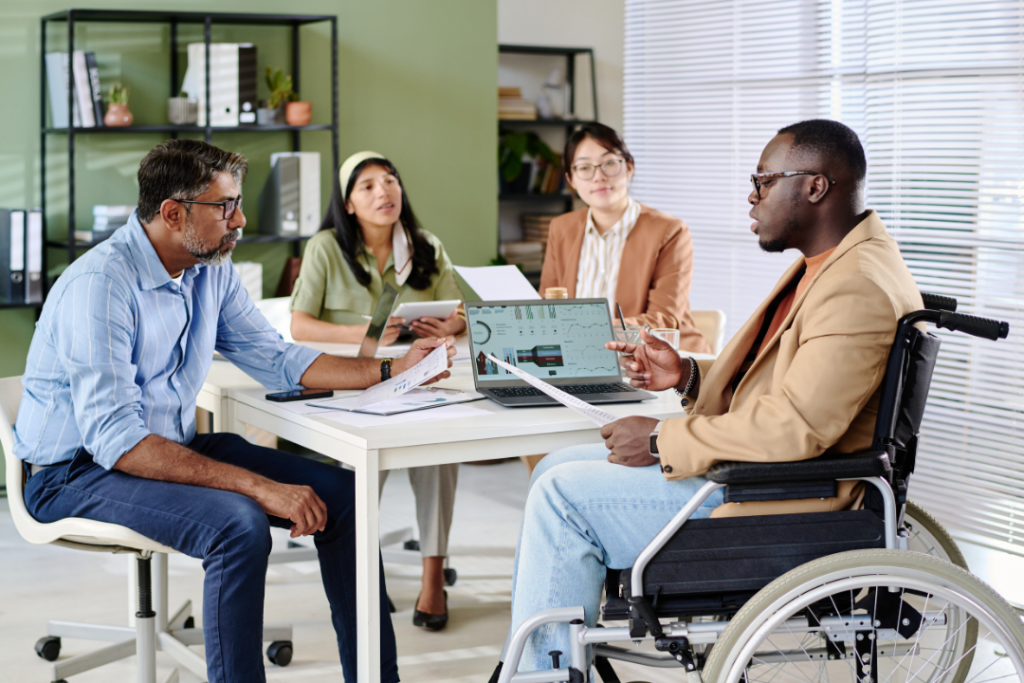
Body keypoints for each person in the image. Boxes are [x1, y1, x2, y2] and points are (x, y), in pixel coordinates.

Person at [13, 139, 456, 683]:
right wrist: (259, 487)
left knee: (346, 499)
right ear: (173, 214)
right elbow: (118, 441)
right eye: (225, 206)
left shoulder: (210, 268)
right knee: (239, 525)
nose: (240, 219)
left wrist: (395, 370)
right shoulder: (101, 285)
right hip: (74, 470)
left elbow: (276, 357)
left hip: (167, 445)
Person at [491, 119, 923, 676]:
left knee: (561, 500)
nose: (752, 195)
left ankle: (544, 672)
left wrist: (660, 438)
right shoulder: (833, 263)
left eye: (764, 181)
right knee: (552, 467)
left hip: (785, 495)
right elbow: (791, 381)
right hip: (764, 469)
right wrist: (688, 375)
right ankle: (543, 657)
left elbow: (797, 426)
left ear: (815, 187)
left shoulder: (856, 283)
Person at [289, 151, 464, 630]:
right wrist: (363, 334)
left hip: (420, 381)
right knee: (357, 469)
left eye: (389, 181)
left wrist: (445, 322)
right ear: (347, 204)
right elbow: (299, 322)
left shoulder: (425, 246)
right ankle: (366, 571)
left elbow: (461, 314)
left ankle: (433, 579)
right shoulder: (326, 247)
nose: (382, 192)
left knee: (440, 455)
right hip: (353, 384)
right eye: (366, 186)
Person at [539, 122, 711, 353]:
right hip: (583, 356)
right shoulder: (561, 228)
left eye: (609, 163)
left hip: (660, 361)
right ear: (571, 179)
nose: (598, 176)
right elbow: (548, 305)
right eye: (584, 167)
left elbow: (664, 321)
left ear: (629, 167)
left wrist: (587, 330)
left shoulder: (670, 231)